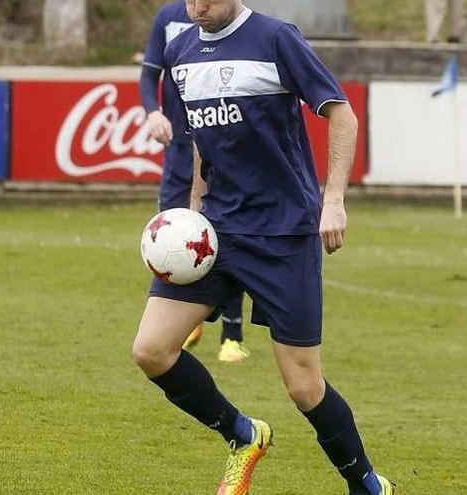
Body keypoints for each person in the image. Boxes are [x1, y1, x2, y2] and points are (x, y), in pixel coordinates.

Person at [132, 1, 394, 494]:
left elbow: (341, 114)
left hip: (283, 233)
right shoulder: (181, 49)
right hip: (216, 231)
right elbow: (199, 144)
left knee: (303, 386)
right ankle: (242, 435)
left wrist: (332, 200)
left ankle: (366, 485)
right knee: (151, 350)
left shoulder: (276, 38)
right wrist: (192, 214)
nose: (197, 7)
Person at [138, 0, 249, 363]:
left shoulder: (232, 18)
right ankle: (187, 320)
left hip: (218, 148)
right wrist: (153, 113)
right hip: (179, 151)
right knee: (172, 237)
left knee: (221, 237)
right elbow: (148, 75)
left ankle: (231, 335)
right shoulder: (169, 19)